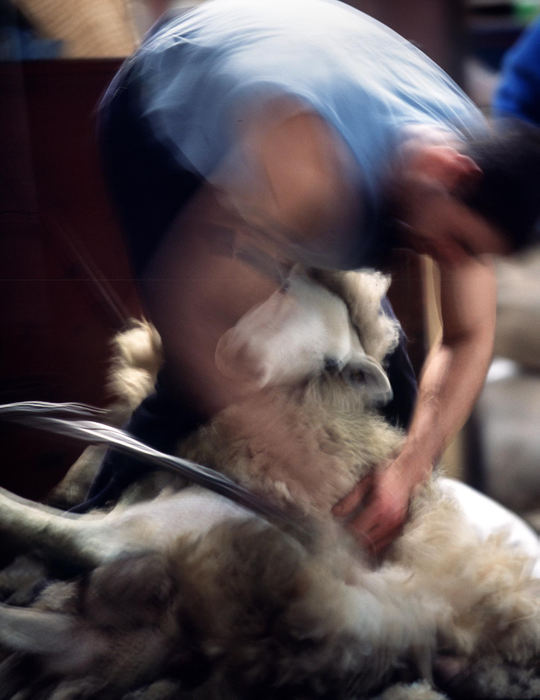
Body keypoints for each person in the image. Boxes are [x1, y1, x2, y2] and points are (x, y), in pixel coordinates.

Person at [82, 0, 540, 555]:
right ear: (453, 171)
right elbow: (193, 319)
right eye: (460, 243)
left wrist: (408, 470)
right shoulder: (308, 168)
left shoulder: (466, 150)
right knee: (201, 380)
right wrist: (305, 472)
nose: (453, 260)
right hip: (164, 102)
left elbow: (470, 336)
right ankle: (77, 543)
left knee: (394, 399)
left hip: (306, 85)